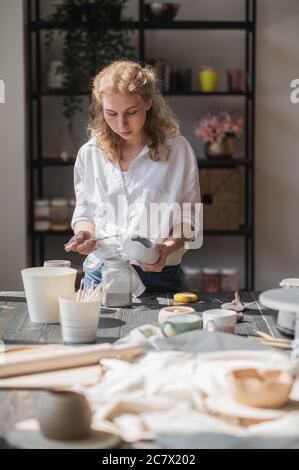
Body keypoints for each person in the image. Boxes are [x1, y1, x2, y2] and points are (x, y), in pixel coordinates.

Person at [65, 60, 201, 293]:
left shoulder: (178, 151)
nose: (121, 123)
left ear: (148, 102)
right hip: (101, 274)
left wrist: (166, 248)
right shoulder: (90, 153)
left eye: (131, 112)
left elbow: (188, 220)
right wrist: (84, 232)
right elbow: (85, 209)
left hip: (158, 274)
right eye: (111, 113)